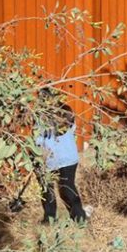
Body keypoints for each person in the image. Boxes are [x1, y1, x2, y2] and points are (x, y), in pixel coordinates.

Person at [35, 95, 87, 224]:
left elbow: (38, 140)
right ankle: (79, 217)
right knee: (68, 187)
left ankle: (50, 218)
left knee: (47, 188)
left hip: (50, 159)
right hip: (69, 156)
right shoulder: (67, 111)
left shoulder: (41, 117)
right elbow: (73, 129)